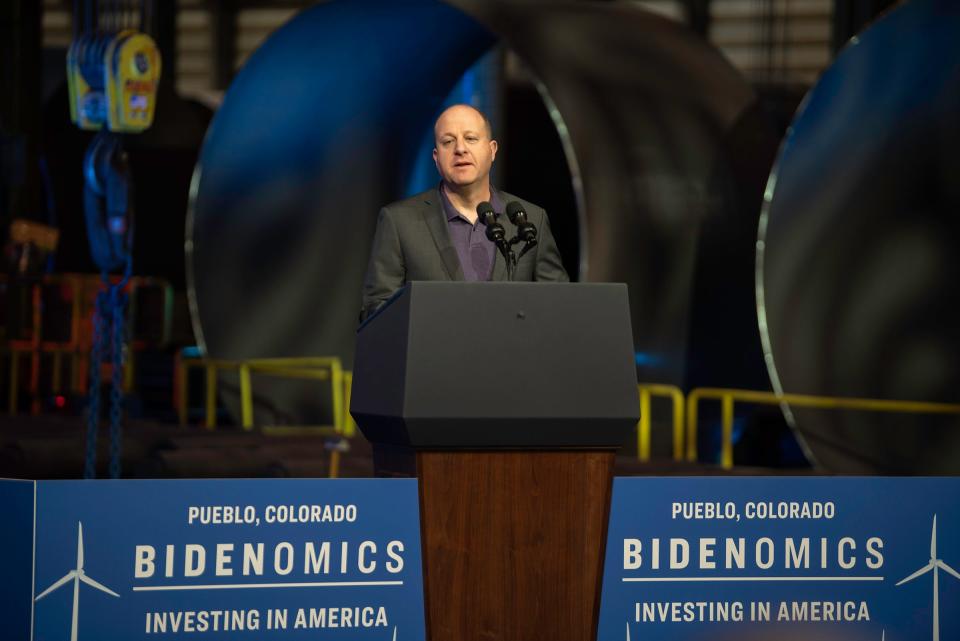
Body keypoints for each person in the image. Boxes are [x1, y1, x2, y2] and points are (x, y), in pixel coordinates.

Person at [361, 104, 568, 320]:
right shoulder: (400, 222)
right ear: (436, 157)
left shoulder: (530, 220)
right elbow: (376, 311)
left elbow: (560, 305)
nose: (460, 149)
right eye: (448, 141)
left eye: (470, 138)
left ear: (492, 150)